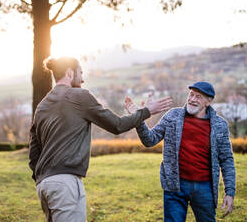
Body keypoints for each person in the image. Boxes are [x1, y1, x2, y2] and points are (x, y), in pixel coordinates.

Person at [29, 56, 172, 222]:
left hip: (44, 184)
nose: (82, 79)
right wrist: (146, 111)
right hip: (65, 183)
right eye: (80, 73)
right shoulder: (79, 96)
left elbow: (34, 150)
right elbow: (117, 125)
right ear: (69, 73)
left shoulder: (42, 105)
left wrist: (40, 178)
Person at [125, 81, 236, 222]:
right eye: (191, 95)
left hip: (205, 188)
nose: (192, 99)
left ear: (208, 102)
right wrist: (139, 117)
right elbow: (150, 140)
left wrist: (230, 192)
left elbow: (226, 159)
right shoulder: (173, 116)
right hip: (175, 187)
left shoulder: (220, 125)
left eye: (198, 96)